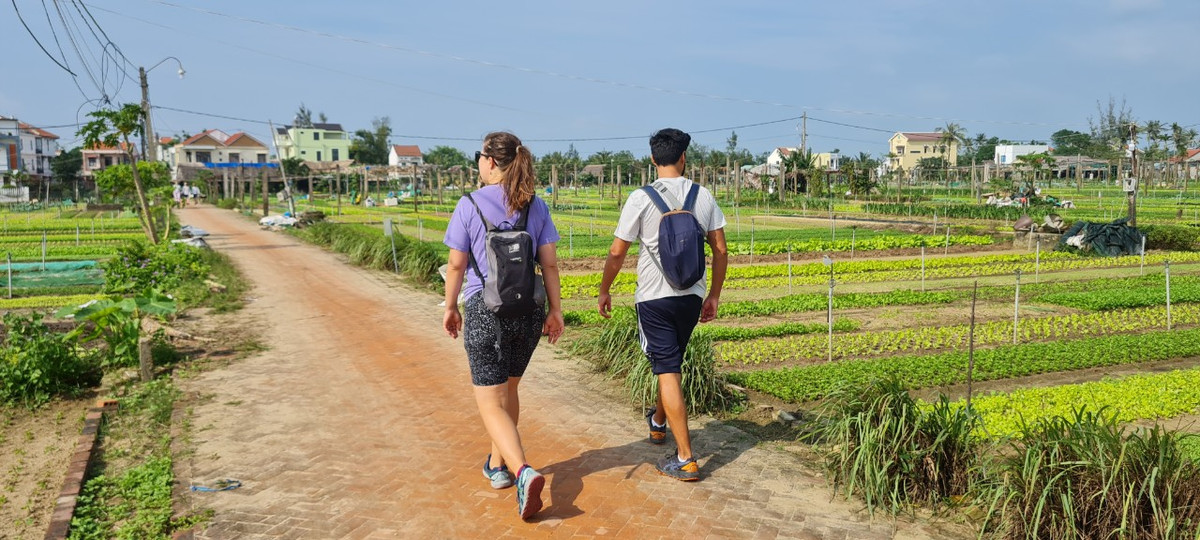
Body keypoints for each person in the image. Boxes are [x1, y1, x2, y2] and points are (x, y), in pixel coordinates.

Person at [442, 131, 564, 520]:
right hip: (527, 311)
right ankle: (498, 467)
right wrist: (555, 312)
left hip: (484, 310)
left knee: (490, 403)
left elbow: (457, 265)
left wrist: (450, 306)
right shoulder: (535, 205)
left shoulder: (469, 205)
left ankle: (523, 471)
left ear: (490, 162)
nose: (478, 162)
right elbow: (549, 264)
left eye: (479, 156)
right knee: (508, 390)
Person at [597, 128, 727, 482]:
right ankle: (657, 423)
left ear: (653, 159)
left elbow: (616, 252)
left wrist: (605, 289)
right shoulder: (704, 196)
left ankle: (686, 458)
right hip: (691, 297)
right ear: (684, 158)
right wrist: (713, 295)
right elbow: (720, 250)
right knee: (667, 360)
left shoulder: (641, 198)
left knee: (667, 367)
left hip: (654, 298)